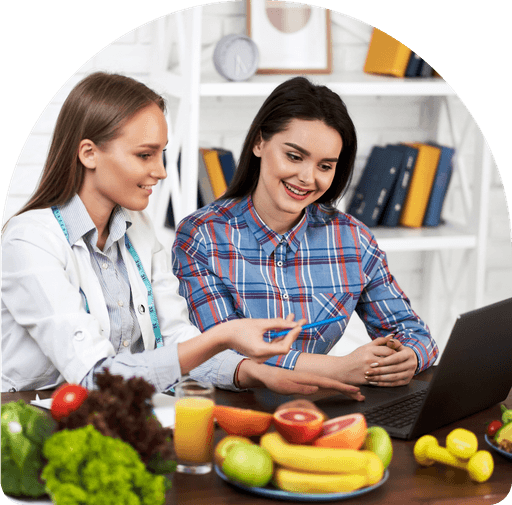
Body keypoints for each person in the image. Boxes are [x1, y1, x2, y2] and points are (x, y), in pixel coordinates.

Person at [1, 72, 363, 401]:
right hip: (28, 427)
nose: (160, 171)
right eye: (145, 155)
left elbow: (176, 342)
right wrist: (224, 335)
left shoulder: (137, 230)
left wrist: (254, 372)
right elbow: (96, 377)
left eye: (162, 154)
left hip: (116, 415)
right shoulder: (29, 242)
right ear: (89, 153)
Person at [173, 76, 439, 392]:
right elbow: (223, 356)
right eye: (294, 156)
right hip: (235, 412)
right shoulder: (202, 237)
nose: (307, 178)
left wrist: (407, 356)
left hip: (320, 410)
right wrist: (341, 369)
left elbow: (415, 335)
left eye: (325, 166)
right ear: (259, 143)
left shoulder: (352, 241)